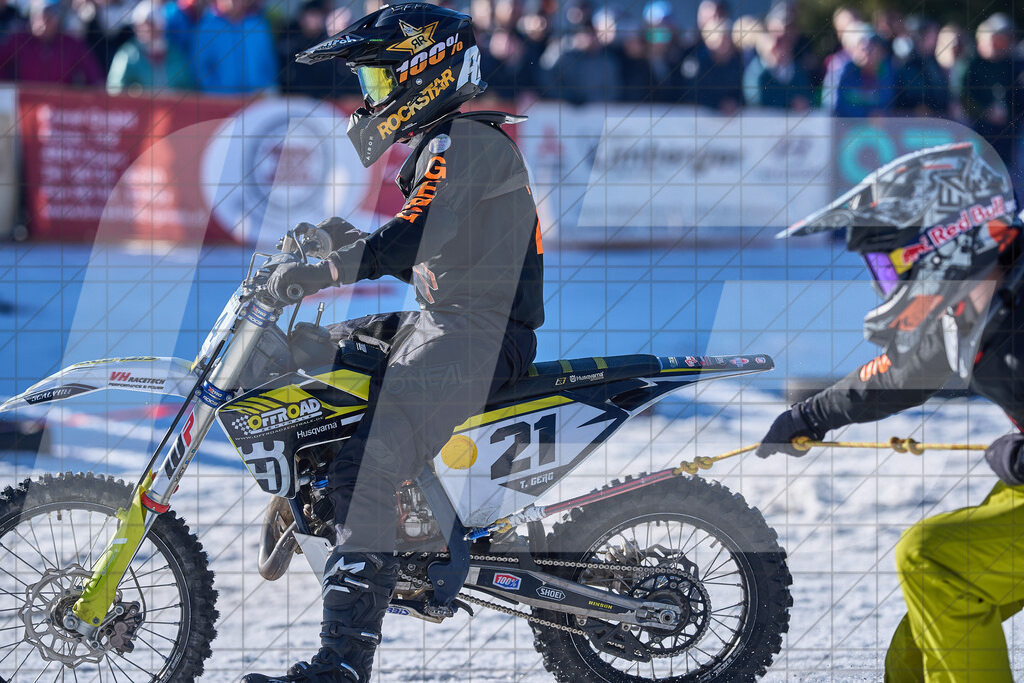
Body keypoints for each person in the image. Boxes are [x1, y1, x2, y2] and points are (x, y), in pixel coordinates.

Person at [243, 4, 544, 681]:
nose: (370, 98)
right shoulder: (443, 145)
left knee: (367, 469)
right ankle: (311, 493)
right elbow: (423, 247)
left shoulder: (464, 142)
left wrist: (326, 270)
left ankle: (343, 663)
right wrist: (336, 241)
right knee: (317, 355)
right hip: (448, 323)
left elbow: (410, 237)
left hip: (477, 336)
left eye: (379, 81)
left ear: (425, 73)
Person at [757, 142, 1024, 681]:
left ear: (944, 240)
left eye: (888, 262)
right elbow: (898, 375)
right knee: (924, 631)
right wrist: (810, 416)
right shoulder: (968, 307)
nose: (885, 281)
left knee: (930, 557)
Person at [0, 0, 103, 85]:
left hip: (61, 102)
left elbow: (94, 77)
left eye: (48, 19)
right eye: (38, 18)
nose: (43, 25)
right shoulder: (17, 42)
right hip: (23, 101)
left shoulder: (72, 45)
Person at [106, 0, 192, 94]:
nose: (145, 29)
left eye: (150, 24)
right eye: (140, 25)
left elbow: (188, 88)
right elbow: (115, 89)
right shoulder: (127, 56)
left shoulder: (175, 55)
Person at [192, 0, 277, 94]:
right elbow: (200, 69)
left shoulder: (258, 25)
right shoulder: (207, 28)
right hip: (221, 98)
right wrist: (215, 92)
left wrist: (268, 89)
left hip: (257, 97)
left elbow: (269, 64)